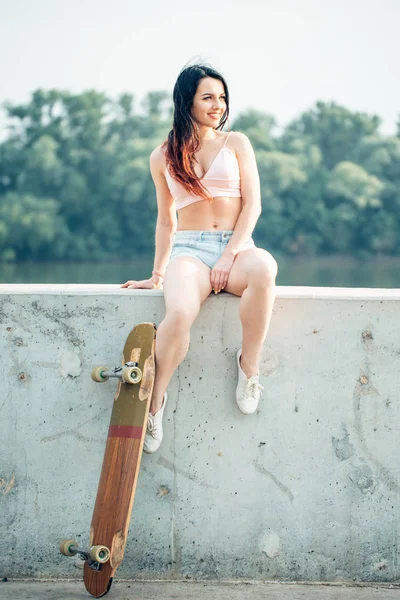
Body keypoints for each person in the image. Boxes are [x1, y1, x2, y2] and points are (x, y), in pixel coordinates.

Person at [121, 63, 278, 454]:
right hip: (189, 251)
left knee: (265, 268)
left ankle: (249, 367)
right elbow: (164, 221)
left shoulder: (236, 142)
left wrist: (228, 257)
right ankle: (155, 402)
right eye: (208, 97)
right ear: (186, 100)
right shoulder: (162, 156)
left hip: (236, 246)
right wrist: (157, 274)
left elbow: (253, 206)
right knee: (178, 312)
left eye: (221, 98)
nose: (217, 105)